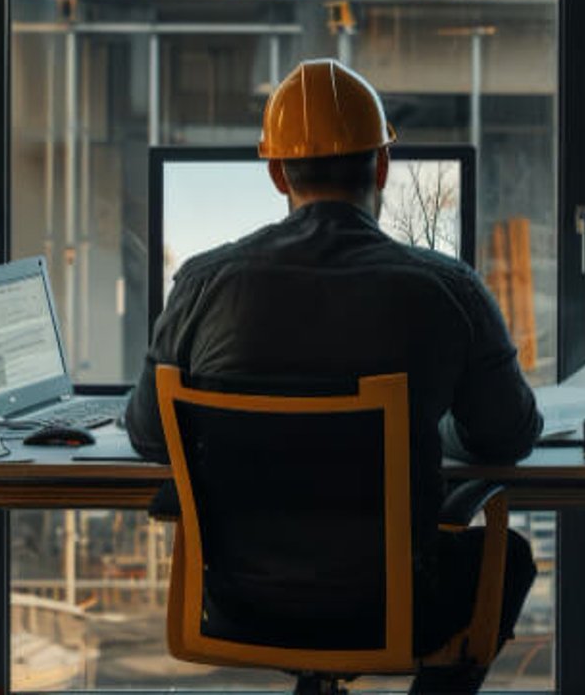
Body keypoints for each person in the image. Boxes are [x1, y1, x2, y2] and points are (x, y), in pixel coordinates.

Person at [126, 58, 542, 695]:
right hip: (395, 603)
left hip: (242, 601)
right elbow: (506, 437)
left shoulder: (203, 284)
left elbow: (153, 438)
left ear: (275, 174)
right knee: (504, 555)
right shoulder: (449, 289)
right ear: (381, 167)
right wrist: (430, 424)